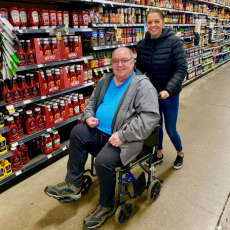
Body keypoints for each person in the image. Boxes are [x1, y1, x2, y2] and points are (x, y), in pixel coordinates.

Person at [44, 47, 160, 229]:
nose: (119, 64)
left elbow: (150, 117)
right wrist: (88, 115)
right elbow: (91, 102)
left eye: (124, 60)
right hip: (99, 132)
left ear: (133, 61)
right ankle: (73, 184)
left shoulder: (142, 85)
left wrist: (123, 135)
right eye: (115, 61)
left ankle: (106, 206)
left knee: (103, 161)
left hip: (124, 140)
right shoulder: (106, 80)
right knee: (77, 133)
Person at [136, 9, 187, 170]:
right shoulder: (142, 45)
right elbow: (139, 69)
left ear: (163, 23)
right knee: (155, 127)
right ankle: (159, 154)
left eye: (157, 21)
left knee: (170, 129)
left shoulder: (174, 42)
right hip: (152, 95)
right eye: (149, 22)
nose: (153, 25)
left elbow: (181, 69)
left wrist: (168, 90)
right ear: (146, 24)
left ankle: (180, 153)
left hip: (169, 95)